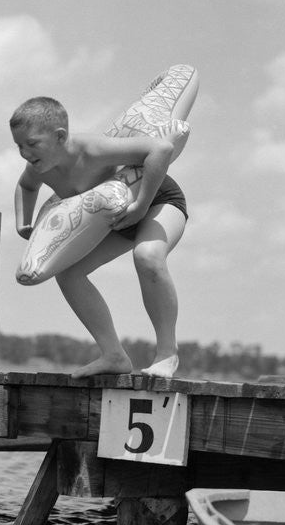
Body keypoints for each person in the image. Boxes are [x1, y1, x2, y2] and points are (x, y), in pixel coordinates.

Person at [11, 95, 187, 378]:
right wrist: (24, 223)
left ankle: (167, 353)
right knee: (68, 274)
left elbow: (161, 149)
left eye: (31, 143)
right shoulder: (37, 168)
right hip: (116, 220)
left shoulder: (92, 149)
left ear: (60, 137)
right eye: (19, 145)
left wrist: (140, 205)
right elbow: (25, 186)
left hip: (158, 200)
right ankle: (113, 355)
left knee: (147, 256)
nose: (24, 152)